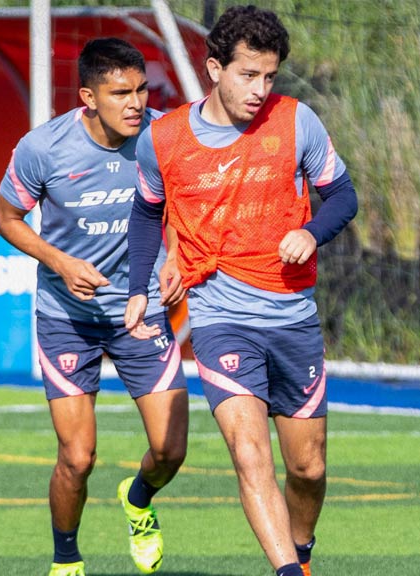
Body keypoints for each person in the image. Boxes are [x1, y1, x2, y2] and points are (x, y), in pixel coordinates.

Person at [124, 6, 358, 576]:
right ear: (214, 69)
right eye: (247, 75)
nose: (260, 90)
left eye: (270, 76)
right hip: (219, 316)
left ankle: (299, 555)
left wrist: (311, 230)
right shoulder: (164, 139)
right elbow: (145, 211)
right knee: (251, 457)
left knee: (308, 470)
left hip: (293, 316)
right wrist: (139, 285)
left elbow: (344, 196)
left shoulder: (298, 122)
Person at [0, 38, 189, 576]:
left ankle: (139, 500)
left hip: (139, 311)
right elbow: (7, 219)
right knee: (77, 458)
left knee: (171, 451)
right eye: (120, 92)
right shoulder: (43, 148)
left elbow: (187, 207)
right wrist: (59, 262)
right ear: (88, 96)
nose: (136, 103)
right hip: (67, 320)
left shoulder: (165, 135)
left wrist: (176, 256)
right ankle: (67, 560)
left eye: (142, 89)